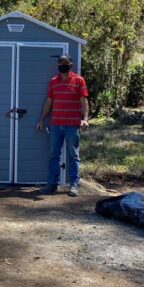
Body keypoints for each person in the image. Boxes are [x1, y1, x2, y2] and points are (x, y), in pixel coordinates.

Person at [36, 54, 89, 196]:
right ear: (58, 65)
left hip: (72, 125)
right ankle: (52, 184)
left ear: (70, 65)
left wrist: (85, 119)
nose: (62, 65)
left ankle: (74, 185)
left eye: (65, 63)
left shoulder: (79, 80)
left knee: (73, 155)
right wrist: (41, 119)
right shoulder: (53, 82)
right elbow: (49, 102)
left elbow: (83, 101)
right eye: (60, 63)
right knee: (54, 155)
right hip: (56, 124)